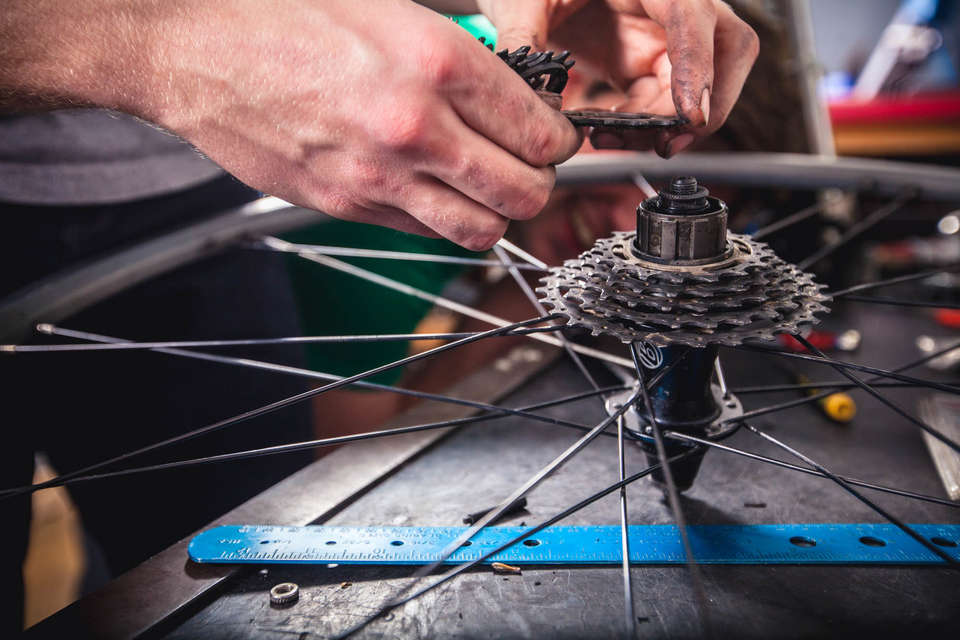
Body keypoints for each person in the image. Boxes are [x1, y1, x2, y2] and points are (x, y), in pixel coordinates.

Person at [0, 0, 758, 633]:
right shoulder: (385, 197)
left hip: (187, 200)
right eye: (640, 178)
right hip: (156, 161)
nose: (629, 221)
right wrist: (175, 47)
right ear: (583, 87)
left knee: (222, 588)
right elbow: (343, 442)